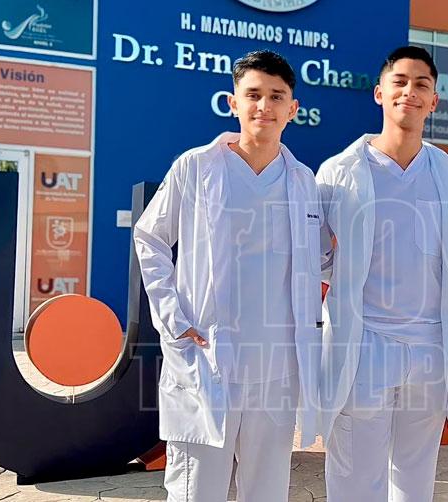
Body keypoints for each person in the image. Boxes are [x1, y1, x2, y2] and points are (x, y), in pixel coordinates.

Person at [133, 50, 321, 502]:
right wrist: (174, 319)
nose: (264, 106)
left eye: (276, 96)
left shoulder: (303, 181)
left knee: (267, 490)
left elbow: (320, 258)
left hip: (275, 367)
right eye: (253, 94)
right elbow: (149, 237)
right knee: (196, 491)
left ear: (292, 109)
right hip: (206, 356)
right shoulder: (196, 167)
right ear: (233, 103)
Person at [316, 46, 448, 502]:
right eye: (399, 82)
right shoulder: (339, 171)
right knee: (354, 481)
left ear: (434, 101)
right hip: (365, 345)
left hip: (430, 349)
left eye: (422, 84)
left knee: (415, 480)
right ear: (379, 93)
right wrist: (349, 274)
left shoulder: (444, 173)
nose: (410, 92)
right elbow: (314, 250)